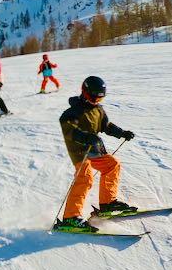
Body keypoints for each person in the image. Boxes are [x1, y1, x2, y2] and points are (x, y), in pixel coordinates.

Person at [53, 76, 136, 232]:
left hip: (94, 149)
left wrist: (122, 133)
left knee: (112, 165)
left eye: (100, 97)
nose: (96, 100)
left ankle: (107, 204)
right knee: (85, 177)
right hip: (79, 151)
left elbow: (107, 126)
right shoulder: (72, 112)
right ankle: (70, 218)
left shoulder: (98, 110)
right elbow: (69, 130)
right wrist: (86, 137)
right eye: (93, 97)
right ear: (84, 92)